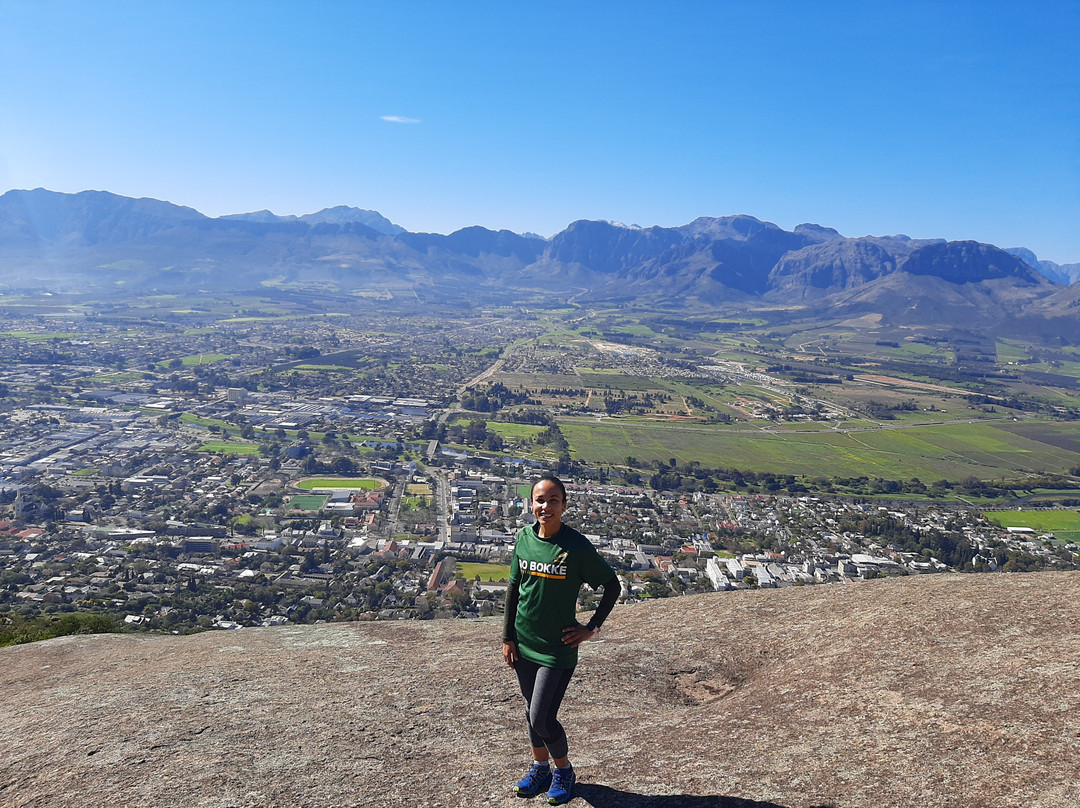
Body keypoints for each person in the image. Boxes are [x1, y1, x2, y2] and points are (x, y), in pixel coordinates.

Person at [502, 473, 620, 805]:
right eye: (540, 500)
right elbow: (514, 589)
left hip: (557, 649)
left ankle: (563, 771)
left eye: (554, 500)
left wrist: (591, 627)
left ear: (564, 506)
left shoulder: (576, 546)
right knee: (530, 714)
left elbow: (612, 586)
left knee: (542, 717)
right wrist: (508, 637)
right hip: (524, 644)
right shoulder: (524, 538)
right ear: (531, 504)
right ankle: (540, 767)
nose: (546, 506)